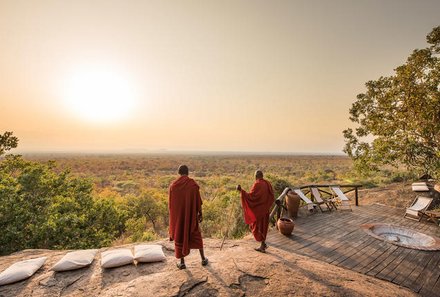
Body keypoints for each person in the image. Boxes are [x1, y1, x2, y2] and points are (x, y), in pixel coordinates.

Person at [169, 165, 208, 269]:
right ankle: (203, 259)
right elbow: (198, 202)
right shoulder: (193, 185)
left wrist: (174, 219)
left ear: (179, 173)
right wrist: (200, 213)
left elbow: (171, 206)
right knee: (196, 236)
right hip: (191, 217)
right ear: (188, 172)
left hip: (179, 219)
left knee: (180, 235)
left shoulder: (173, 186)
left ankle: (182, 263)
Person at [237, 170, 274, 253]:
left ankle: (262, 246)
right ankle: (263, 244)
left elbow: (251, 197)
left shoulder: (257, 184)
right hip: (265, 210)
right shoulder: (267, 183)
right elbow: (271, 196)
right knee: (263, 227)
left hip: (259, 211)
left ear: (256, 176)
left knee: (259, 227)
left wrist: (241, 191)